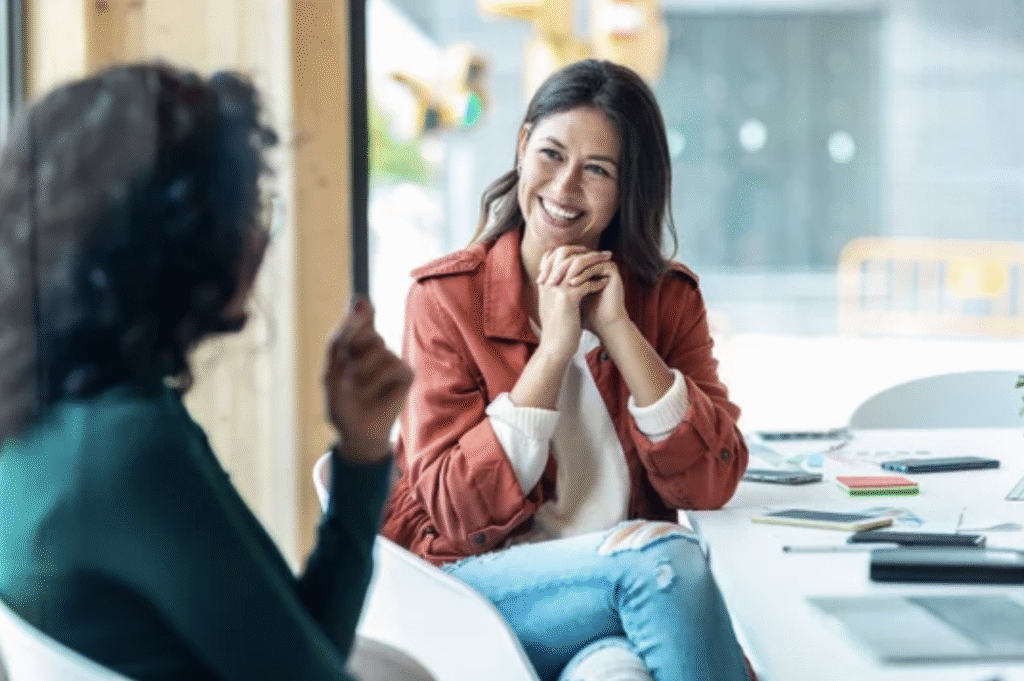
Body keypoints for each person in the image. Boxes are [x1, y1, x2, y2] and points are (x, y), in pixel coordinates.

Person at [0, 63, 413, 681]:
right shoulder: (125, 448)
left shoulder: (53, 412)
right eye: (252, 209)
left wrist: (361, 453)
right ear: (183, 240)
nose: (261, 237)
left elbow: (302, 648)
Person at [381, 59, 753, 681]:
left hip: (611, 606)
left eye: (598, 169)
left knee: (616, 673)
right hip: (482, 590)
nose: (565, 188)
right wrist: (553, 353)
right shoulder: (445, 299)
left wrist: (619, 331)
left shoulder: (666, 301)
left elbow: (709, 484)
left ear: (629, 186)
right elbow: (454, 510)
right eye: (551, 154)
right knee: (668, 564)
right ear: (523, 146)